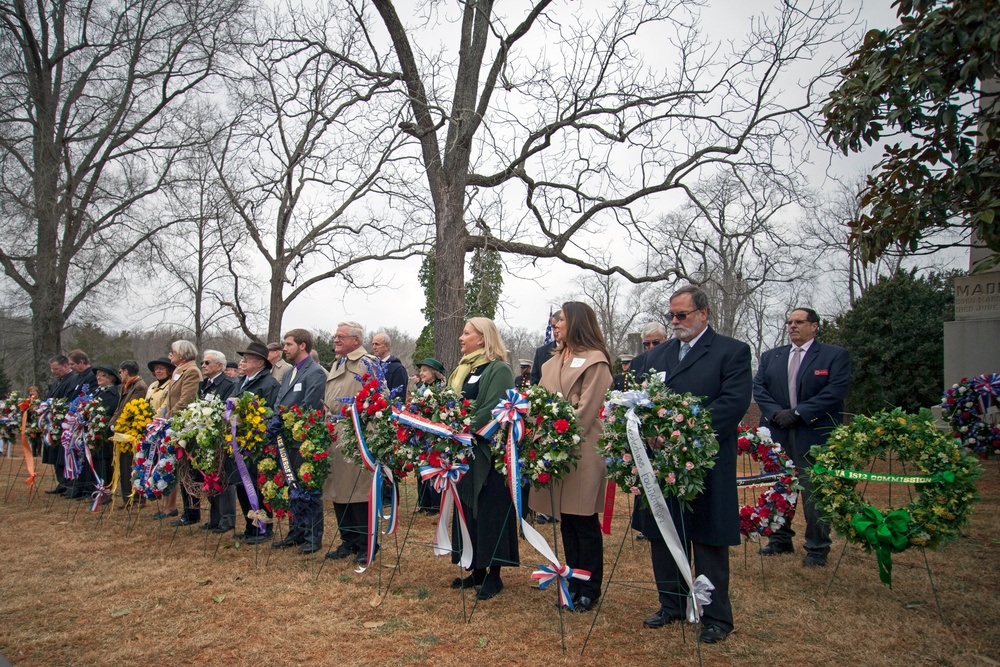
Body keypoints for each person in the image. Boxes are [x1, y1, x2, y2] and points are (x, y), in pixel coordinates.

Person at [629, 285, 751, 644]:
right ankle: (672, 604)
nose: (675, 321)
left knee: (708, 538)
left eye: (682, 315)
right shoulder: (657, 356)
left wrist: (683, 432)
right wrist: (650, 430)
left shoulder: (731, 352)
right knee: (663, 532)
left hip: (706, 461)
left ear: (703, 314)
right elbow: (643, 400)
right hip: (661, 461)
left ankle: (715, 616)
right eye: (671, 315)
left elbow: (732, 403)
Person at [529, 302, 613, 612]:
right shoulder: (550, 363)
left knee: (583, 520)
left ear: (577, 322)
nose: (554, 324)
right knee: (565, 519)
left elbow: (587, 410)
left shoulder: (596, 361)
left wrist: (555, 430)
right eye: (553, 320)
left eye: (560, 319)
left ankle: (589, 588)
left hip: (582, 450)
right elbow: (537, 402)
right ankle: (573, 582)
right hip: (553, 450)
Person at [752, 307, 850, 567]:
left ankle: (817, 548)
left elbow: (835, 391)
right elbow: (759, 388)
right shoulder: (772, 356)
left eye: (799, 322)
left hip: (814, 433)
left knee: (814, 494)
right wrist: (775, 414)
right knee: (779, 487)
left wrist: (799, 413)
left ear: (815, 326)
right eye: (790, 322)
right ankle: (780, 539)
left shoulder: (833, 356)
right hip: (778, 433)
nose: (793, 326)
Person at [448, 317, 518, 600]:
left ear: (483, 338)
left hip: (486, 451)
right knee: (467, 509)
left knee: (489, 510)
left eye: (467, 333)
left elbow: (494, 408)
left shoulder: (498, 369)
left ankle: (494, 574)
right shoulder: (463, 370)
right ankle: (475, 568)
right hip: (463, 450)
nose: (461, 338)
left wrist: (459, 427)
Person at [323, 322, 378, 564]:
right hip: (334, 433)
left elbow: (380, 398)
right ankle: (349, 540)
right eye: (335, 336)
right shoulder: (338, 362)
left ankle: (368, 543)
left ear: (356, 340)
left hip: (356, 434)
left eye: (341, 336)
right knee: (338, 490)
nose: (336, 340)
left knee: (359, 491)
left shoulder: (368, 362)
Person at [271, 328, 328, 554]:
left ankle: (313, 536)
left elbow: (310, 405)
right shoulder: (288, 374)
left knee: (307, 487)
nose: (284, 349)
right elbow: (279, 402)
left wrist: (286, 421)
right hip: (285, 439)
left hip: (302, 438)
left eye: (288, 344)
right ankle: (296, 531)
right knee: (291, 487)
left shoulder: (316, 373)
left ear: (302, 345)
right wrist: (276, 420)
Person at [232, 342, 281, 544]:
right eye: (243, 358)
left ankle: (264, 527)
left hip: (257, 443)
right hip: (239, 443)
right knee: (242, 485)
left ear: (260, 363)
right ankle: (249, 525)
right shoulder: (241, 381)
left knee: (257, 486)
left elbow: (272, 411)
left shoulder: (269, 384)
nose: (243, 361)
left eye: (248, 358)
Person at [164, 340, 204, 527]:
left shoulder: (192, 371)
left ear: (182, 354)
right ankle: (188, 511)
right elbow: (169, 400)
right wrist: (159, 417)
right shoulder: (178, 371)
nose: (170, 354)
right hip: (175, 424)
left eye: (173, 352)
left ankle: (192, 512)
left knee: (189, 470)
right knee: (182, 469)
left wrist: (169, 419)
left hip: (185, 426)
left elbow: (185, 400)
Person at [199, 350, 237, 533]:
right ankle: (214, 517)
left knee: (224, 478)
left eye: (207, 363)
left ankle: (227, 519)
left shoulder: (228, 384)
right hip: (207, 436)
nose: (203, 366)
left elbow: (226, 409)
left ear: (219, 366)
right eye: (202, 363)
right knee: (210, 476)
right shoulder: (204, 385)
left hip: (222, 436)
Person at [110, 361, 148, 508]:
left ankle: (137, 498)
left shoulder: (139, 386)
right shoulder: (127, 386)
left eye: (120, 372)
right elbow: (119, 408)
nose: (120, 374)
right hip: (122, 430)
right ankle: (128, 498)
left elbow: (129, 409)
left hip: (132, 431)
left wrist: (118, 423)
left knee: (133, 465)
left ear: (125, 371)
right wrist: (112, 425)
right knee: (124, 465)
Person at [413, 357, 447, 514]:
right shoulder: (421, 389)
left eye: (424, 370)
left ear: (435, 373)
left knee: (434, 466)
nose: (421, 373)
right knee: (421, 466)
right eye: (421, 370)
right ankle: (424, 502)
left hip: (434, 434)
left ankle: (435, 504)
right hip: (421, 433)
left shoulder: (441, 389)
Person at [145, 357, 175, 519]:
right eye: (156, 368)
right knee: (156, 465)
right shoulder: (152, 386)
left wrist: (153, 422)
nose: (158, 371)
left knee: (166, 465)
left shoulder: (170, 384)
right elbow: (145, 404)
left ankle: (170, 506)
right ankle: (162, 502)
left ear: (169, 370)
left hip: (162, 427)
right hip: (150, 429)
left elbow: (165, 407)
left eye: (161, 368)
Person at [43, 356, 78, 495]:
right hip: (54, 423)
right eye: (52, 369)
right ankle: (61, 482)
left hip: (65, 423)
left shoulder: (72, 380)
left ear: (65, 366)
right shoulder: (57, 382)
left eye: (56, 369)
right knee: (54, 453)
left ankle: (68, 483)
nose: (53, 372)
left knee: (64, 455)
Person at [91, 365, 122, 504]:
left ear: (110, 379)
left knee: (105, 461)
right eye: (97, 375)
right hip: (95, 431)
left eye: (102, 375)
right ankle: (99, 489)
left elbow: (106, 410)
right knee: (97, 461)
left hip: (105, 432)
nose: (98, 377)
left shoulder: (111, 393)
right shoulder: (98, 392)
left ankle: (107, 491)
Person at [370, 331, 409, 402]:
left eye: (377, 344)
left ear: (387, 346)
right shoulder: (373, 366)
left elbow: (399, 398)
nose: (374, 347)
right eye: (373, 344)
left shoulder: (398, 369)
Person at [529, 311, 560, 386]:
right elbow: (534, 381)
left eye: (558, 327)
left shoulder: (576, 351)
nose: (556, 331)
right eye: (553, 327)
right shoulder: (541, 352)